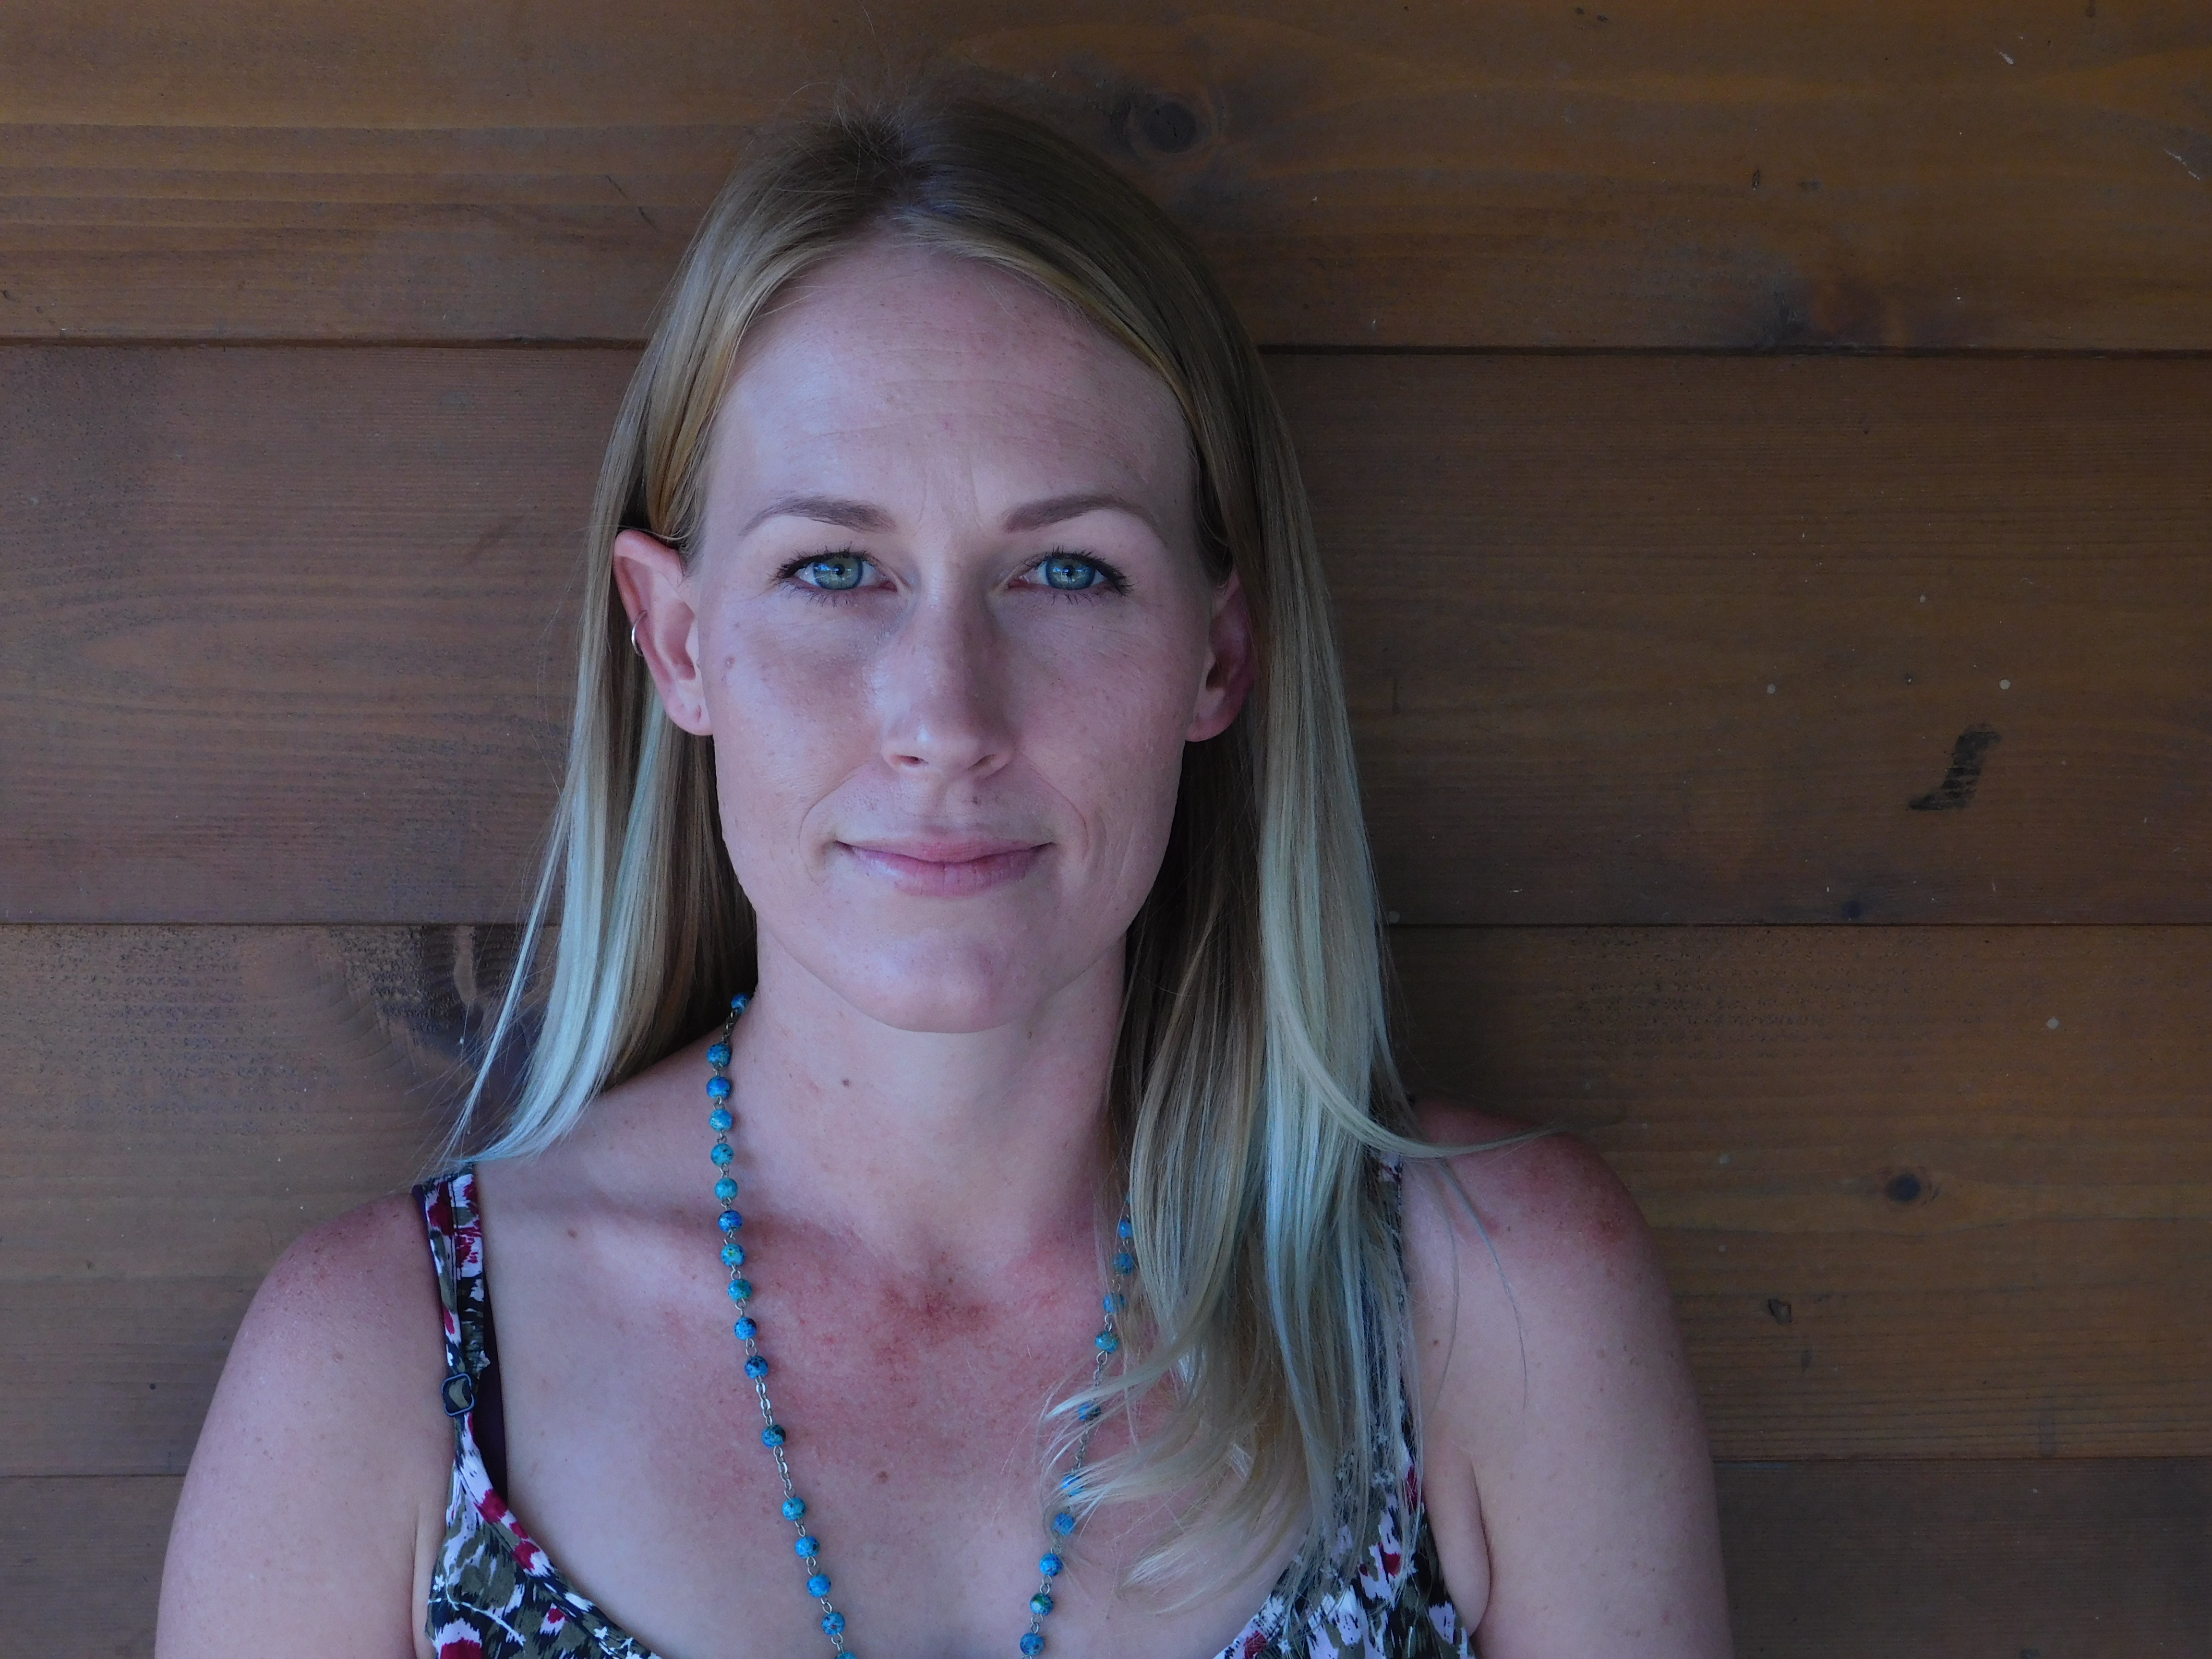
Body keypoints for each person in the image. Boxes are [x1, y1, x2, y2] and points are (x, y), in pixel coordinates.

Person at [156, 97, 1729, 1659]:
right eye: (835, 569)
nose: (946, 717)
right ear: (679, 642)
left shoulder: (1497, 1313)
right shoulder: (378, 1375)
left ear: (1218, 654)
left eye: (1068, 571)